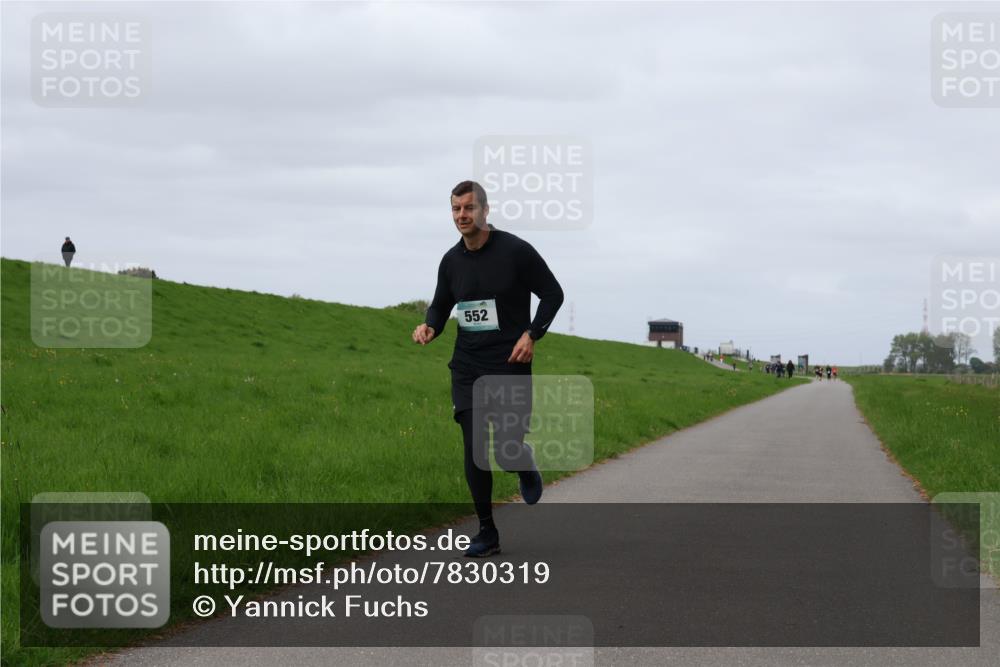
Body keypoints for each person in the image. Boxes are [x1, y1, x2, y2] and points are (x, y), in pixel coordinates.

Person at [413, 180, 563, 558]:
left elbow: (552, 293)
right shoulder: (451, 261)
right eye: (455, 209)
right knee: (475, 445)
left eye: (468, 208)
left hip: (510, 363)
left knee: (506, 448)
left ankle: (522, 461)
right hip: (467, 365)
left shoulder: (515, 251)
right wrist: (430, 325)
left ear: (485, 210)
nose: (462, 215)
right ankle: (486, 531)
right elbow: (441, 305)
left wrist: (531, 335)